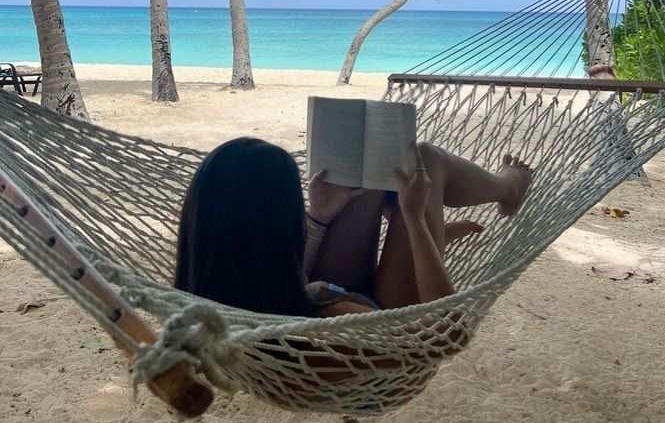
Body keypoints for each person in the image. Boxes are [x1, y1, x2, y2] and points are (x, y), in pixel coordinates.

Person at [174, 136, 533, 317]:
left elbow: (286, 270)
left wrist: (319, 217)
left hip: (315, 291)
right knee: (427, 158)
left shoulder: (211, 283)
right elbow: (444, 329)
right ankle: (508, 188)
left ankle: (417, 225)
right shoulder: (334, 323)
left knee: (368, 174)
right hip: (379, 319)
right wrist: (414, 221)